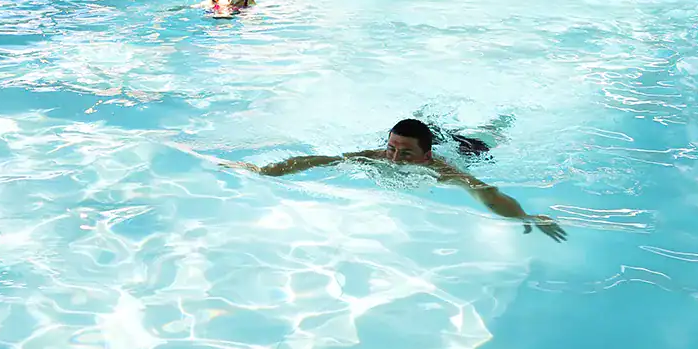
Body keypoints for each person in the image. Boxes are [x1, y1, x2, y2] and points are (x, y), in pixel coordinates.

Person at [232, 118, 568, 242]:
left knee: (485, 138)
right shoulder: (378, 156)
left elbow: (486, 193)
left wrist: (524, 216)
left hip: (465, 149)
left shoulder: (442, 170)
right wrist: (263, 171)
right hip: (429, 137)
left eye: (404, 154)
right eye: (391, 149)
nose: (392, 159)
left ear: (426, 157)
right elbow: (317, 161)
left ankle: (502, 120)